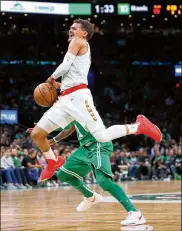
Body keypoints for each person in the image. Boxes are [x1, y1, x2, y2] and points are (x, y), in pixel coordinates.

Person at [30, 18, 162, 183]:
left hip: (79, 97)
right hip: (65, 97)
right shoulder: (78, 46)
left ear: (84, 33)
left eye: (74, 28)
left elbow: (64, 65)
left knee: (101, 136)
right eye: (69, 28)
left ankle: (139, 126)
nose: (70, 31)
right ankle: (52, 161)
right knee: (37, 134)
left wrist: (51, 77)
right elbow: (71, 76)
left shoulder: (79, 41)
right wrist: (57, 84)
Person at [28, 121, 146, 225]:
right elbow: (70, 126)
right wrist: (49, 135)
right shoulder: (68, 109)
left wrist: (45, 128)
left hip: (99, 144)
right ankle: (90, 196)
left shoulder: (79, 103)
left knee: (104, 182)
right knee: (63, 175)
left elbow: (63, 124)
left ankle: (135, 213)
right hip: (85, 148)